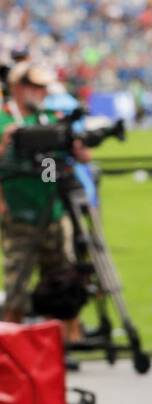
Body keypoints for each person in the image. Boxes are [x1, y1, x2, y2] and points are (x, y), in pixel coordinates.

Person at [0, 61, 86, 365]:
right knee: (17, 288)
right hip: (19, 215)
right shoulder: (4, 118)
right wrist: (7, 139)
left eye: (44, 87)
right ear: (18, 87)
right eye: (35, 87)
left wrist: (78, 146)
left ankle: (60, 351)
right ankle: (12, 357)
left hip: (53, 209)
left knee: (61, 283)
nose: (41, 93)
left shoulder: (50, 117)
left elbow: (70, 159)